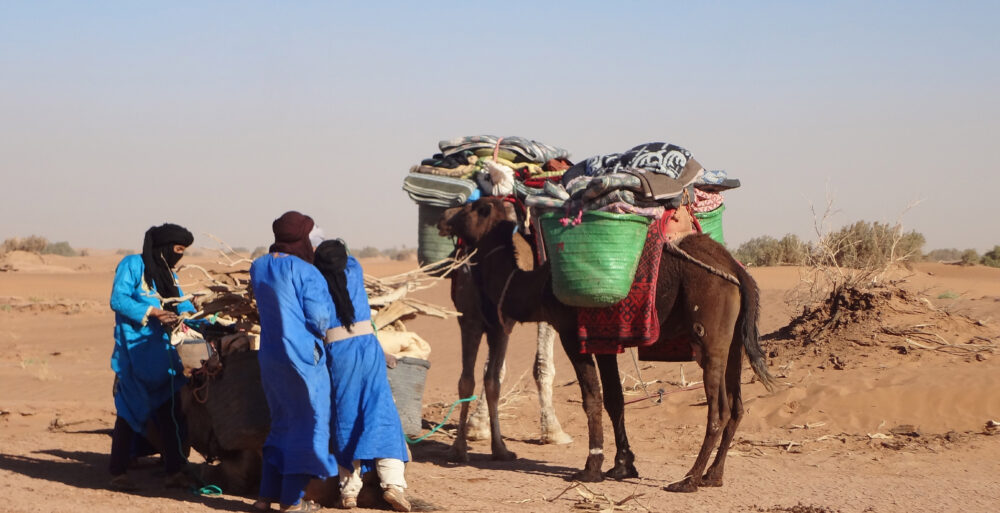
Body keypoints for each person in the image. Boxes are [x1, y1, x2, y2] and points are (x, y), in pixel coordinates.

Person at [313, 239, 411, 512]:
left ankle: (349, 492)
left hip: (338, 353)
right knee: (383, 414)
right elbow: (346, 257)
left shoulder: (315, 281)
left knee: (346, 418)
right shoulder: (353, 268)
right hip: (369, 350)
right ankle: (393, 485)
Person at [250, 211, 336, 513]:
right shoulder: (306, 271)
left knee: (281, 423)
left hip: (270, 355)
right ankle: (291, 501)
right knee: (308, 425)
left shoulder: (258, 266)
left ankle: (264, 497)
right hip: (302, 357)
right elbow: (320, 317)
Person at [108, 223, 197, 490]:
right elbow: (118, 299)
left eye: (183, 251)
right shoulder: (132, 265)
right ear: (163, 247)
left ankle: (174, 471)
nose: (179, 255)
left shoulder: (168, 275)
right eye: (177, 249)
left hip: (164, 357)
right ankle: (117, 473)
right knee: (128, 413)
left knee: (169, 413)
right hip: (135, 354)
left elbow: (183, 304)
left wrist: (206, 317)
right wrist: (154, 312)